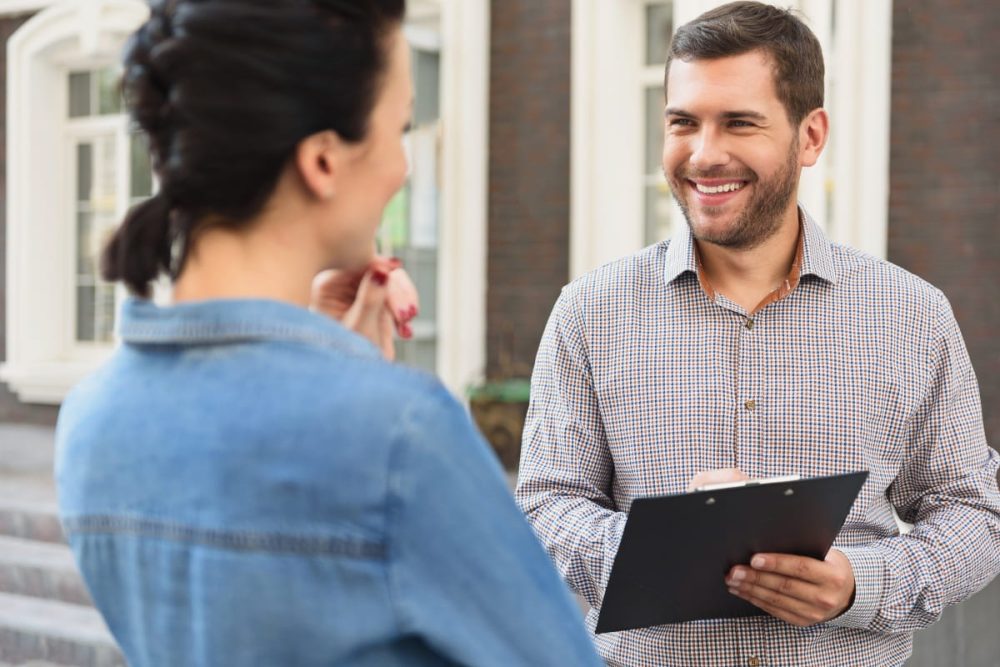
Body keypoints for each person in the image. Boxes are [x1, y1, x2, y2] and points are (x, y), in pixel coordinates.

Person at [55, 1, 603, 665]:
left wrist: (333, 362)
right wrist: (351, 385)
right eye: (400, 127)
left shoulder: (90, 416)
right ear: (322, 160)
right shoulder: (399, 432)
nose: (404, 166)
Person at [516, 2, 1000, 665]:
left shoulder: (911, 315)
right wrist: (666, 545)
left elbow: (973, 512)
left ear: (810, 135)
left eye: (739, 123)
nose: (704, 154)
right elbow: (547, 505)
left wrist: (860, 583)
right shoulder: (589, 312)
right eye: (683, 122)